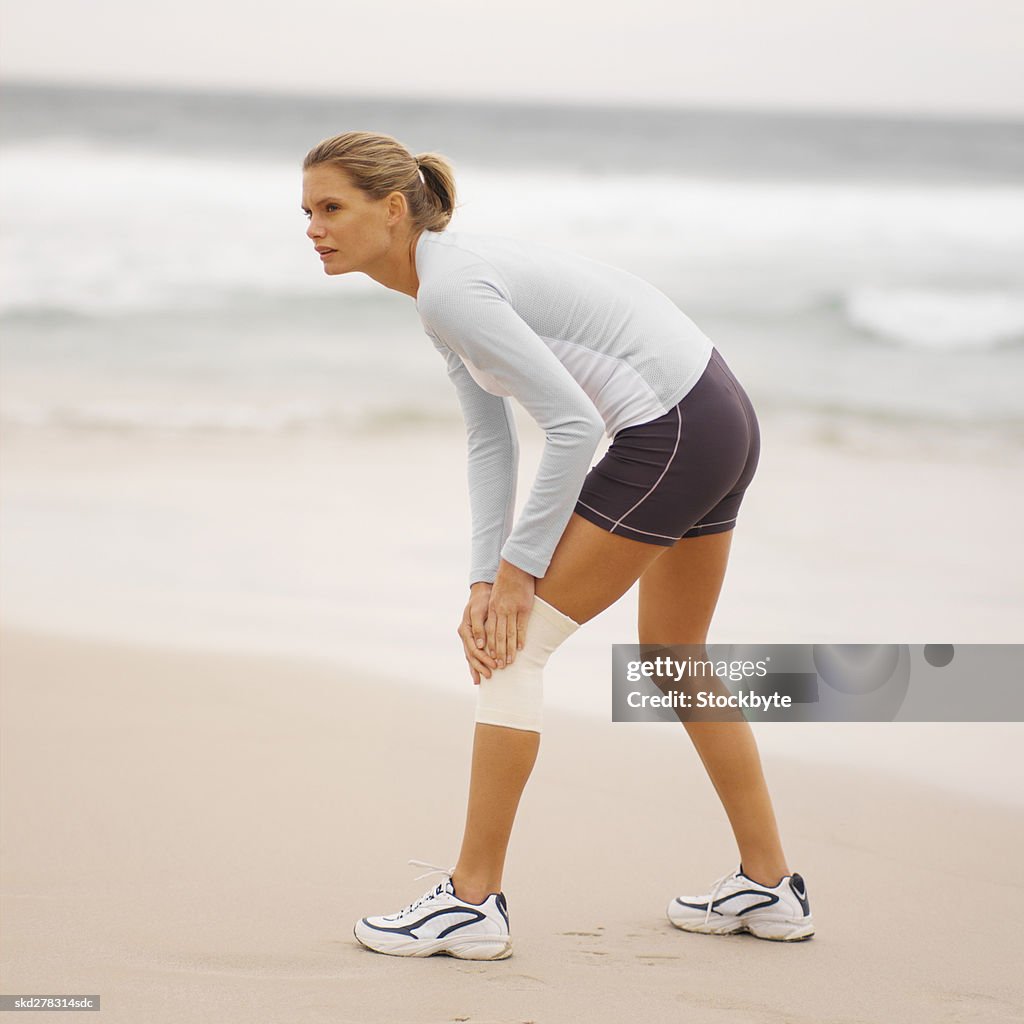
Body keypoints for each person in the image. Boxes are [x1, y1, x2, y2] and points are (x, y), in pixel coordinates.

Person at [301, 131, 814, 960]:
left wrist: (517, 578)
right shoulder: (444, 286)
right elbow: (491, 441)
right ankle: (770, 885)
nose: (314, 228)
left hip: (677, 427)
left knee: (515, 650)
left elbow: (572, 427)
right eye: (307, 213)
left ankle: (472, 902)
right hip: (717, 413)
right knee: (674, 653)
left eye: (331, 208)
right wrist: (482, 577)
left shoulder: (452, 292)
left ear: (391, 210)